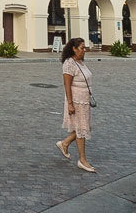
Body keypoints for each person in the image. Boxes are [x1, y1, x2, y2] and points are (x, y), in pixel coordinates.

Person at [55, 37, 96, 173]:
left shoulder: (81, 62)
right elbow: (67, 85)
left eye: (85, 48)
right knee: (81, 129)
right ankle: (82, 160)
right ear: (73, 48)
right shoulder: (69, 63)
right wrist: (70, 104)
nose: (84, 50)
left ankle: (64, 144)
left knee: (83, 127)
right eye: (82, 48)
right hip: (76, 100)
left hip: (84, 100)